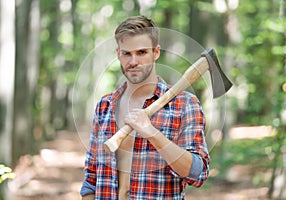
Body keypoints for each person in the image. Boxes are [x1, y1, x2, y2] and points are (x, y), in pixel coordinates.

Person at [80, 15, 210, 200]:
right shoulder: (105, 106)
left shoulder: (185, 105)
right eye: (127, 53)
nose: (133, 61)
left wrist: (151, 132)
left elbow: (198, 174)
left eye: (141, 52)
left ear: (156, 53)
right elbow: (91, 178)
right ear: (118, 54)